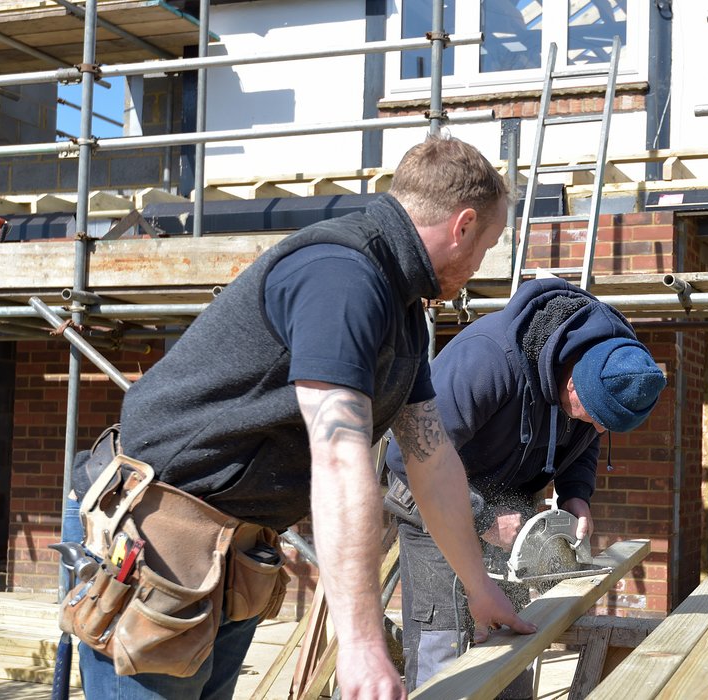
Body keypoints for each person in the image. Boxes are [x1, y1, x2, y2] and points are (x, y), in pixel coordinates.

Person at [68, 134, 536, 700]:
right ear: (463, 225)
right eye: (489, 244)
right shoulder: (343, 278)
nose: (482, 264)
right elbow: (339, 458)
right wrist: (360, 644)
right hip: (160, 538)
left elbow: (431, 459)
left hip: (230, 553)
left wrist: (479, 588)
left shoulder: (403, 309)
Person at [383, 277, 666, 698]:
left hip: (511, 517)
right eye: (593, 415)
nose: (597, 428)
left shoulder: (606, 363)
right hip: (434, 505)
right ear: (573, 382)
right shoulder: (488, 359)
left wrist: (576, 494)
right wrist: (482, 518)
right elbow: (407, 455)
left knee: (509, 645)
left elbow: (584, 437)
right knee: (445, 652)